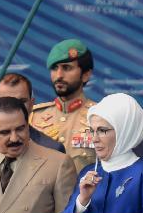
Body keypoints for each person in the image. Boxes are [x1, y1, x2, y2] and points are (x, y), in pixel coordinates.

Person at [29, 39, 98, 172]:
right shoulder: (34, 116)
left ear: (86, 75)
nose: (59, 75)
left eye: (67, 68)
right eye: (55, 68)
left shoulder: (100, 116)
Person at [0, 72, 64, 156]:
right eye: (6, 102)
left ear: (32, 104)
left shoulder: (53, 149)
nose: (15, 108)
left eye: (22, 101)